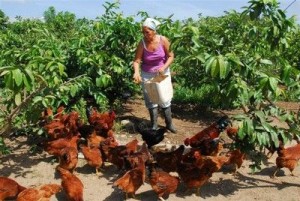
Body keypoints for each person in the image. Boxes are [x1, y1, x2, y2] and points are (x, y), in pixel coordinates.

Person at [132, 17, 177, 133]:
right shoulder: (142, 43)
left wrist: (164, 67)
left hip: (162, 73)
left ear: (154, 31)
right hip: (147, 74)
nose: (145, 35)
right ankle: (154, 125)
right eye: (143, 32)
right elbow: (137, 61)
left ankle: (169, 124)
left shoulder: (163, 40)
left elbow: (171, 56)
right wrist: (136, 72)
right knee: (151, 99)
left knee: (164, 98)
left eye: (147, 32)